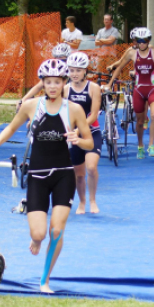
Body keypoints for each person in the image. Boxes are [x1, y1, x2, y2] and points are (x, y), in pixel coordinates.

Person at [0, 59, 93, 293]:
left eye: (57, 82)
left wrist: (77, 140)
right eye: (48, 82)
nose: (52, 86)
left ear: (63, 83)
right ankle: (37, 240)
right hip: (38, 176)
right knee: (39, 232)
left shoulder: (74, 109)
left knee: (57, 230)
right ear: (42, 84)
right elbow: (10, 128)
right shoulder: (32, 106)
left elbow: (89, 142)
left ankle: (45, 280)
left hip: (64, 175)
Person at [106, 27, 154, 159]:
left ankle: (151, 145)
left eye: (144, 41)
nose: (141, 43)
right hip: (139, 90)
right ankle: (140, 146)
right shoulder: (132, 53)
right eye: (139, 41)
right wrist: (110, 83)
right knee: (140, 121)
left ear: (148, 41)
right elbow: (120, 67)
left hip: (153, 88)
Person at [65, 52, 102, 214]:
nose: (74, 74)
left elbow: (93, 114)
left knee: (91, 167)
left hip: (91, 132)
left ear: (85, 71)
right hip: (74, 136)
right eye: (71, 70)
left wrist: (80, 128)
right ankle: (82, 202)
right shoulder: (65, 89)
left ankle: (93, 200)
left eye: (78, 70)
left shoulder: (93, 88)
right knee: (78, 175)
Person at [15, 43, 72, 113]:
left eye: (63, 60)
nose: (60, 63)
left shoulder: (74, 73)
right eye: (57, 60)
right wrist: (23, 100)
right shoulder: (53, 71)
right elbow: (38, 86)